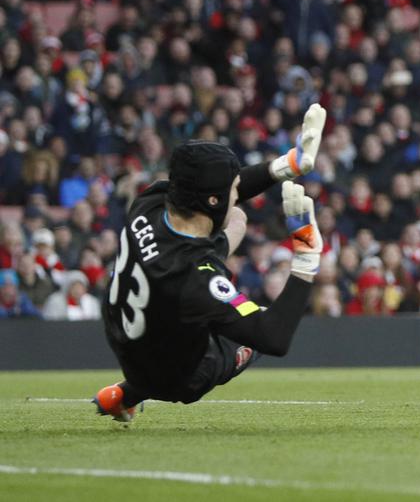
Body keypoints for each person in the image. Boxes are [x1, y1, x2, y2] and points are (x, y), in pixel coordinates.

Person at [93, 105, 326, 422]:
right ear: (213, 200)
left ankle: (120, 395)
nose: (238, 192)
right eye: (232, 188)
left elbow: (218, 199)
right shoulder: (198, 282)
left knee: (239, 219)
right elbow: (275, 338)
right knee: (258, 324)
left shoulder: (150, 201)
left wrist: (288, 165)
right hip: (177, 378)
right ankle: (129, 393)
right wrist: (306, 256)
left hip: (126, 332)